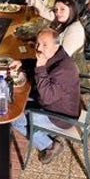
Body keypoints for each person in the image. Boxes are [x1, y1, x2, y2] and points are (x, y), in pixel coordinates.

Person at [12, 28, 81, 164]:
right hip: (58, 105)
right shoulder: (58, 55)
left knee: (14, 119)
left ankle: (49, 145)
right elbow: (42, 65)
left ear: (57, 45)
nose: (39, 48)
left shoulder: (64, 69)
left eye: (44, 45)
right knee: (17, 102)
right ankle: (45, 134)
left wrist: (40, 67)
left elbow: (47, 97)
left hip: (61, 117)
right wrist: (22, 62)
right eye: (38, 44)